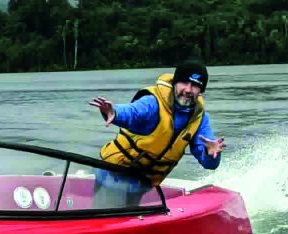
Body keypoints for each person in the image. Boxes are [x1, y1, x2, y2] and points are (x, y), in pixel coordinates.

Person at [89, 58, 226, 206]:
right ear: (175, 82)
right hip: (113, 174)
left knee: (129, 218)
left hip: (141, 183)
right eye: (184, 83)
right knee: (108, 218)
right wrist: (114, 113)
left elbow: (209, 161)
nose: (188, 90)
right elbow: (132, 112)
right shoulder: (153, 102)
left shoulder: (199, 118)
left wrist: (212, 153)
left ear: (201, 91)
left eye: (195, 86)